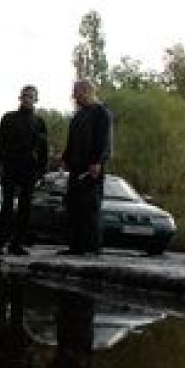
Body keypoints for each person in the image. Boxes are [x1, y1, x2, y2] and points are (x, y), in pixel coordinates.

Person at [0, 85, 48, 255]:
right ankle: (1, 242)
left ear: (36, 100)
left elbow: (43, 148)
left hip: (29, 168)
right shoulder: (8, 118)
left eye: (31, 96)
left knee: (25, 207)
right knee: (7, 205)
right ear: (20, 98)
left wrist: (42, 169)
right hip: (10, 166)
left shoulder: (39, 122)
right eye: (25, 95)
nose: (27, 98)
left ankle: (17, 244)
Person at [60, 79, 113, 255]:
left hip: (92, 166)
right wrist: (65, 159)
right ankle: (76, 246)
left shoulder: (101, 113)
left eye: (76, 92)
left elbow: (104, 140)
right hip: (76, 166)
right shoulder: (79, 115)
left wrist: (97, 161)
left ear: (86, 91)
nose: (74, 96)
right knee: (74, 205)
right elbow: (72, 140)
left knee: (90, 206)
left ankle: (92, 246)